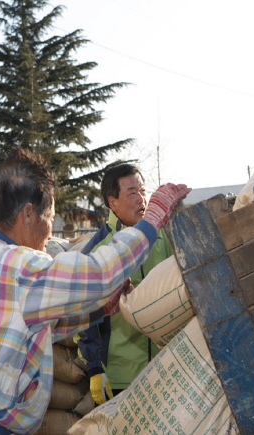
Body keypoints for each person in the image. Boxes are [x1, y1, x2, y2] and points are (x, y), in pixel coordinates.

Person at [0, 148, 190, 435]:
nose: (50, 232)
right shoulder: (22, 266)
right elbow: (100, 272)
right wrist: (153, 219)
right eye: (50, 217)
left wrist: (97, 311)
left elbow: (24, 327)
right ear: (27, 214)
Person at [77, 163, 173, 405]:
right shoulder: (99, 251)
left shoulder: (165, 236)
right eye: (132, 193)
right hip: (123, 376)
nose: (142, 199)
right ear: (113, 202)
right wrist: (95, 367)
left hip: (169, 367)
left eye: (143, 190)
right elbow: (83, 314)